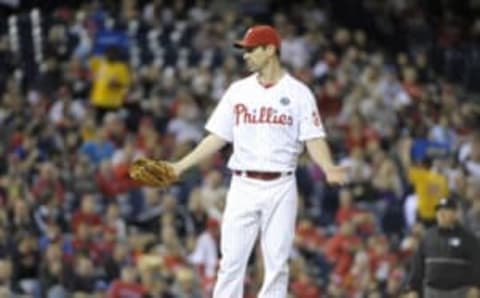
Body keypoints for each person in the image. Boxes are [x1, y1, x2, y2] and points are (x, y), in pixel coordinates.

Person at [169, 25, 347, 298]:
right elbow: (216, 138)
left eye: (252, 49)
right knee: (231, 262)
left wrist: (328, 166)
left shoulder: (299, 93)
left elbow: (314, 138)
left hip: (281, 186)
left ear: (271, 50)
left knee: (277, 265)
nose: (246, 55)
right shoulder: (238, 91)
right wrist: (180, 165)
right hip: (242, 185)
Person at [405, 197, 480, 298]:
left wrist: (476, 286)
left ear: (455, 213)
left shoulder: (468, 238)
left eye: (446, 209)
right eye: (439, 210)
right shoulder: (428, 236)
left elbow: (477, 263)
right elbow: (418, 265)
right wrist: (413, 288)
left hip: (460, 292)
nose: (441, 213)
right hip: (432, 292)